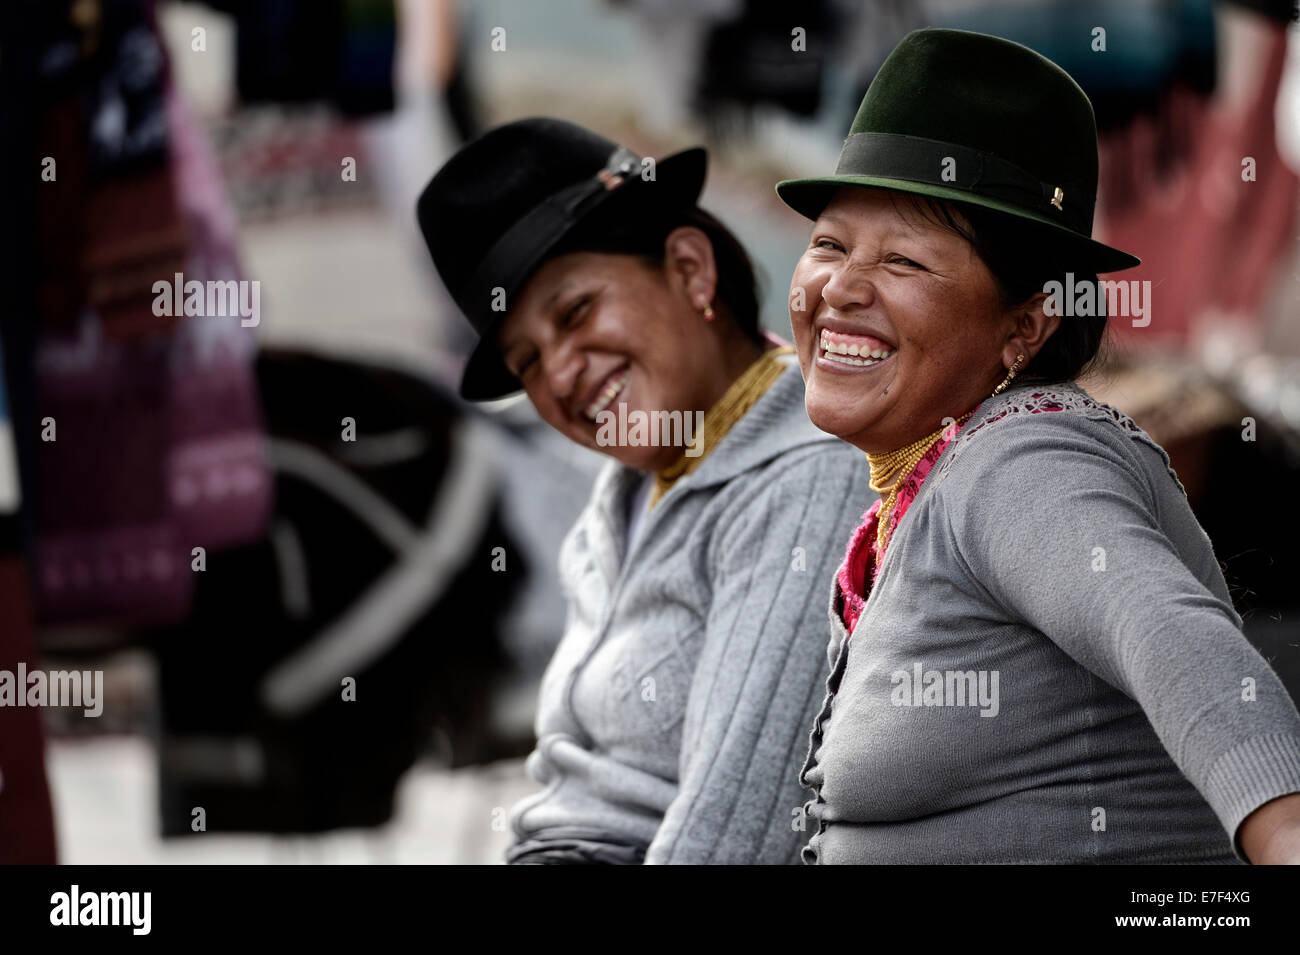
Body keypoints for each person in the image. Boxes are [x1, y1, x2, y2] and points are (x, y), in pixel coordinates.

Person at [775, 28, 1300, 864]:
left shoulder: (1021, 459)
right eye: (830, 244)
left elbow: (1173, 635)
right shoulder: (928, 480)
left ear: (1026, 323)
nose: (838, 287)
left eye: (904, 259)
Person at [417, 117, 871, 863]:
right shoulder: (620, 503)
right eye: (526, 361)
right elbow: (573, 790)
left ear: (691, 269)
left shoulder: (807, 473)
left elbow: (738, 833)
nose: (560, 375)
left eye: (575, 312)